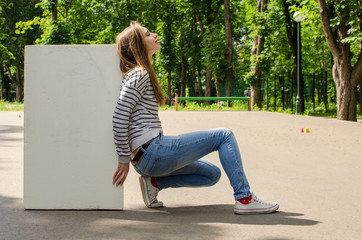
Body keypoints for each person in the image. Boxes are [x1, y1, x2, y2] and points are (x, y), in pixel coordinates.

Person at [112, 21, 279, 214]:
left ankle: (155, 183)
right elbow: (119, 116)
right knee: (224, 135)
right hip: (151, 151)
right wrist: (123, 159)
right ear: (137, 45)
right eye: (148, 34)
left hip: (150, 158)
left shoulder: (141, 73)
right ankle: (245, 198)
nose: (155, 34)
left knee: (211, 174)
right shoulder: (139, 74)